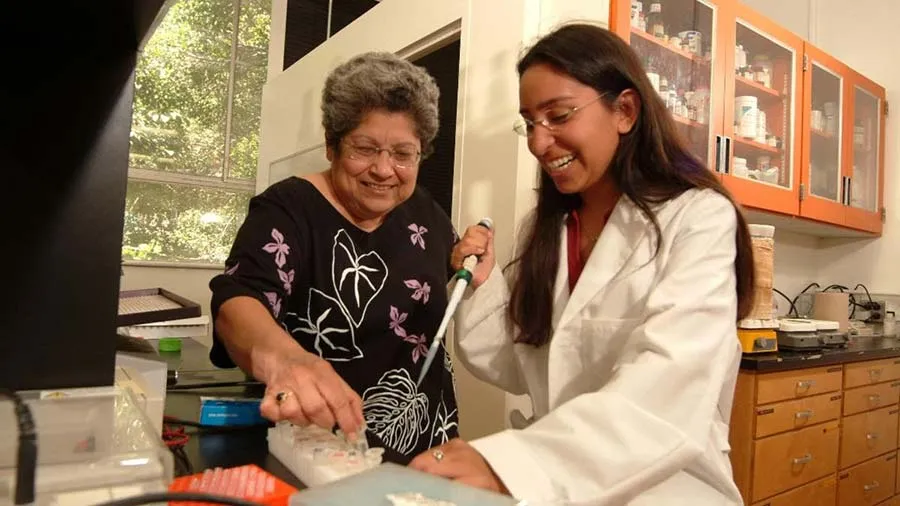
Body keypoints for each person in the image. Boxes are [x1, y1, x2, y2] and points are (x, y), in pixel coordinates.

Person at [409, 23, 755, 505]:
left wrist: (513, 464)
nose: (538, 142)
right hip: (560, 489)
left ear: (625, 111)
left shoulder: (696, 218)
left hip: (667, 491)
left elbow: (669, 384)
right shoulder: (549, 228)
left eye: (558, 115)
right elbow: (520, 364)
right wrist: (483, 286)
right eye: (529, 122)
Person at [209, 52, 460, 464]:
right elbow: (238, 300)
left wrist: (470, 254)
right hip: (322, 449)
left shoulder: (425, 212)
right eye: (365, 148)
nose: (384, 169)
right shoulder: (289, 209)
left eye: (403, 154)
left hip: (429, 441)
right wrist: (286, 360)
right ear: (331, 144)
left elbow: (445, 272)